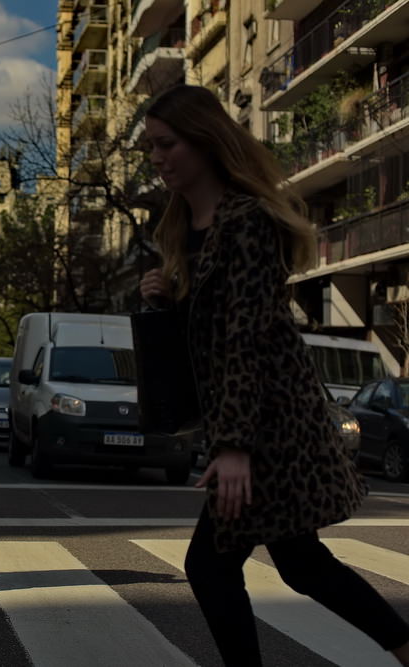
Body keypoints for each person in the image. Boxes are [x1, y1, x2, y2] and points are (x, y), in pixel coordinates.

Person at [139, 84, 409, 667]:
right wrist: (166, 296)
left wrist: (234, 447)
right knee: (301, 564)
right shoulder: (182, 221)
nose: (158, 158)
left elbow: (248, 335)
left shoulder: (248, 220)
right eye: (151, 148)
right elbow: (206, 331)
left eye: (167, 144)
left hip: (272, 426)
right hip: (247, 422)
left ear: (205, 141)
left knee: (210, 567)